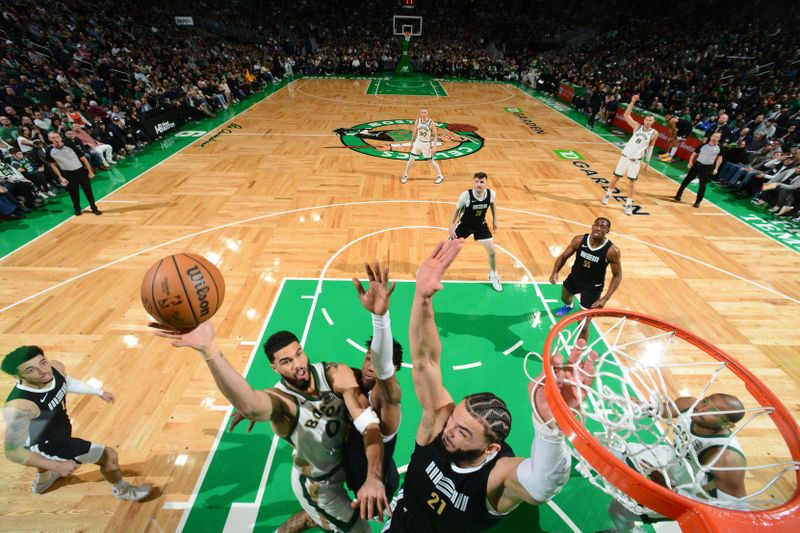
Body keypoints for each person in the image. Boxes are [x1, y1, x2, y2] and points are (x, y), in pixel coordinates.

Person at [383, 239, 598, 532]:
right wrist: (421, 297)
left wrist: (550, 428)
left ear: (490, 448)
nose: (449, 431)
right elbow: (425, 362)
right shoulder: (441, 424)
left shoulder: (496, 476)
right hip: (400, 522)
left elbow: (541, 485)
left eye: (463, 433)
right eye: (454, 421)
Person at [150, 321, 391, 532]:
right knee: (360, 530)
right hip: (320, 485)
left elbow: (369, 425)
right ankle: (310, 517)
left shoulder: (333, 373)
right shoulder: (282, 401)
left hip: (342, 465)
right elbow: (254, 405)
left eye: (299, 354)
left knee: (317, 518)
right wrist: (209, 350)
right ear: (274, 368)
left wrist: (373, 478)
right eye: (286, 361)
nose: (298, 364)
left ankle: (308, 520)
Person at [259, 261, 405, 533]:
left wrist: (380, 318)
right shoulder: (347, 377)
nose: (371, 365)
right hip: (339, 466)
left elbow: (385, 373)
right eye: (367, 357)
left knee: (362, 525)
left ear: (393, 370)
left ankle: (306, 520)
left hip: (373, 477)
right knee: (327, 508)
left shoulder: (388, 401)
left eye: (380, 362)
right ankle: (304, 519)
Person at [2, 346, 152, 500]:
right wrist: (57, 466)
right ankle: (124, 491)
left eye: (42, 362)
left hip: (58, 426)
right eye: (31, 370)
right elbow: (13, 451)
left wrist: (98, 392)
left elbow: (66, 382)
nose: (43, 371)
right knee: (108, 456)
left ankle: (45, 479)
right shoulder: (20, 407)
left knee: (48, 462)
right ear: (17, 376)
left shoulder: (55, 368)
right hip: (47, 443)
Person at [608, 393, 746, 532]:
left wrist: (671, 491)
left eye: (713, 412)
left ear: (727, 424)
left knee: (619, 510)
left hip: (690, 491)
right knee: (613, 450)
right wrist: (640, 406)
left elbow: (734, 509)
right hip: (673, 459)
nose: (701, 409)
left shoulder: (726, 457)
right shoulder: (690, 404)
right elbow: (659, 410)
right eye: (705, 401)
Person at [549, 217, 623, 339]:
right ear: (592, 226)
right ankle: (569, 306)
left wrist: (605, 298)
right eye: (597, 225)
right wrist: (555, 272)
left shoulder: (612, 251)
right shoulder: (579, 240)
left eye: (603, 227)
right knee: (565, 297)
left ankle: (578, 352)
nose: (599, 228)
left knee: (583, 324)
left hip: (592, 288)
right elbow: (563, 257)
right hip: (574, 279)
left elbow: (617, 275)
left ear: (608, 231)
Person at [601, 95, 658, 215]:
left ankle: (628, 204)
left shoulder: (654, 133)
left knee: (632, 183)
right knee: (616, 177)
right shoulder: (637, 126)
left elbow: (650, 148)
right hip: (625, 157)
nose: (648, 122)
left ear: (653, 122)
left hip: (635, 161)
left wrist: (647, 163)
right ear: (644, 120)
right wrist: (632, 102)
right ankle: (607, 195)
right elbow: (626, 115)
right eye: (647, 120)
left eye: (650, 120)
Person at [447, 172, 503, 292]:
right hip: (464, 226)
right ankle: (432, 270)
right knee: (447, 249)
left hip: (480, 225)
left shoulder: (491, 194)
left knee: (492, 251)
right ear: (473, 182)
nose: (478, 184)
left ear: (486, 183)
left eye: (481, 182)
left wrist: (495, 219)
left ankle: (493, 274)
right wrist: (451, 226)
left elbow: (492, 204)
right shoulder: (465, 195)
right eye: (476, 181)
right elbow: (456, 210)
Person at [46, 132, 101, 216]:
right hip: (67, 174)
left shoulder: (69, 145)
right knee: (73, 192)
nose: (55, 139)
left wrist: (90, 171)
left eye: (57, 137)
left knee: (88, 190)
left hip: (80, 171)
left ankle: (94, 207)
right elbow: (53, 165)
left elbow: (83, 158)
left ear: (60, 138)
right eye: (53, 137)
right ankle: (77, 209)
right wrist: (60, 177)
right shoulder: (49, 150)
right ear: (50, 139)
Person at [673, 131, 723, 207]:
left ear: (719, 138)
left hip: (707, 167)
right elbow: (694, 153)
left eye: (717, 137)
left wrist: (716, 168)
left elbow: (720, 158)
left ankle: (698, 201)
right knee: (687, 180)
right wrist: (690, 162)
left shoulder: (720, 147)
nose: (715, 138)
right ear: (711, 136)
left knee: (702, 185)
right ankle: (678, 194)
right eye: (714, 136)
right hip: (697, 165)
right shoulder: (703, 145)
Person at [401, 108, 445, 185]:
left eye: (425, 112)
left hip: (426, 144)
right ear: (420, 113)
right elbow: (414, 132)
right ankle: (405, 175)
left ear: (427, 114)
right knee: (410, 160)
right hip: (418, 142)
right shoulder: (417, 121)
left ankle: (440, 176)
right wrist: (411, 143)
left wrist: (434, 147)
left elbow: (435, 136)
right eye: (422, 112)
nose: (423, 114)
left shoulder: (431, 123)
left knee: (431, 161)